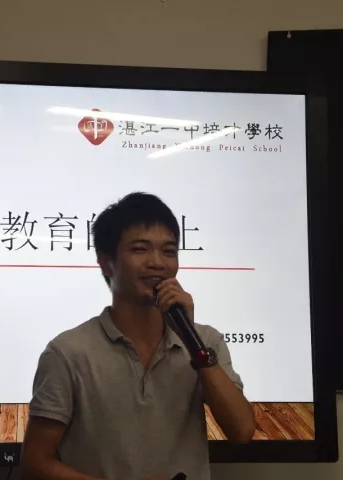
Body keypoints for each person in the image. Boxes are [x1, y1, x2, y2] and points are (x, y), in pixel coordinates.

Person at [20, 192, 255, 480]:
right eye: (140, 249)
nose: (157, 262)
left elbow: (242, 431)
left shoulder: (206, 342)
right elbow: (36, 462)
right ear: (106, 262)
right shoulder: (68, 352)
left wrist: (192, 341)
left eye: (168, 251)